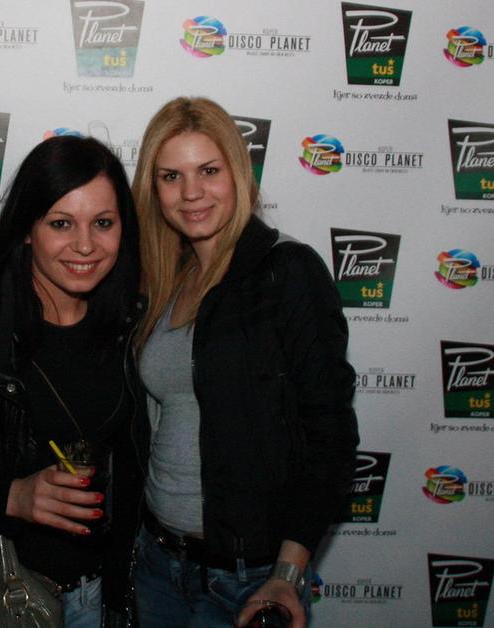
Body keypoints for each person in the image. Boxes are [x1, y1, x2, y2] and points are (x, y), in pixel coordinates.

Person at [129, 97, 359, 628]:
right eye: (171, 176)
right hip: (157, 562)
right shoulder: (167, 279)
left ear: (238, 172)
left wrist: (287, 574)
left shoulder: (288, 271)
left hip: (245, 581)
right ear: (153, 188)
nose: (191, 192)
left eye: (208, 171)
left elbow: (330, 436)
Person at [0, 135, 148, 627]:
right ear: (25, 230)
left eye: (103, 223)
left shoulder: (132, 332)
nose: (85, 245)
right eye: (61, 223)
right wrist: (11, 497)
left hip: (103, 596)